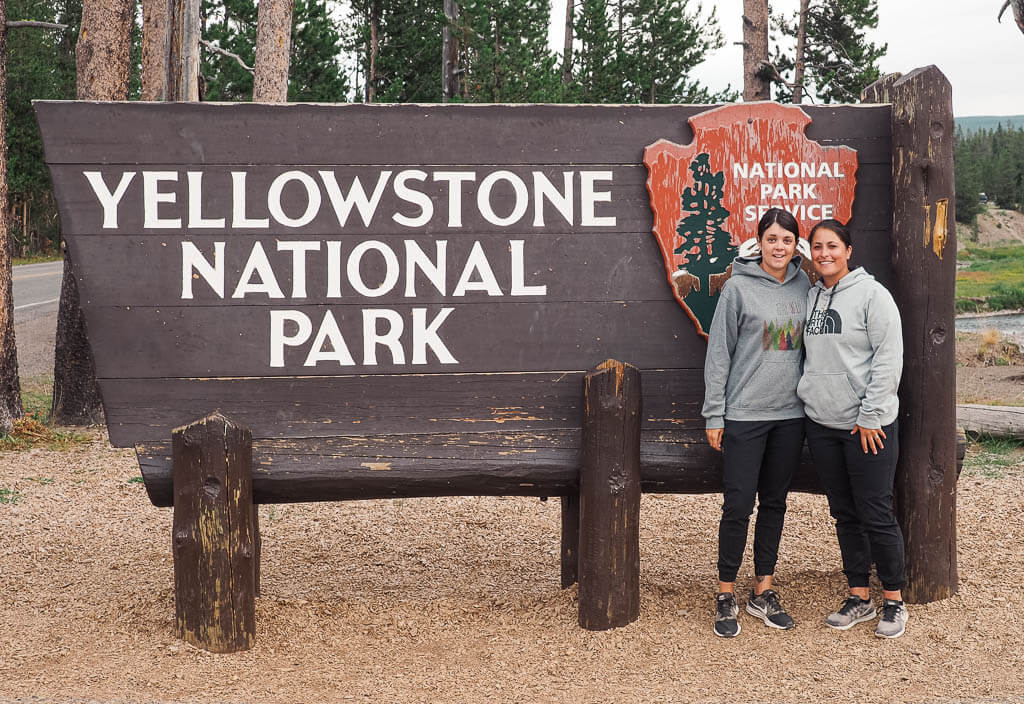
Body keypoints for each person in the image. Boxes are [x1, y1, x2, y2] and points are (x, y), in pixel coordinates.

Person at [798, 219, 908, 639]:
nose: (824, 253)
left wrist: (870, 415)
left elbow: (887, 359)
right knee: (844, 514)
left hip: (867, 427)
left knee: (876, 513)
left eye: (832, 246)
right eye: (818, 247)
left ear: (848, 250)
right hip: (822, 425)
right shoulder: (812, 298)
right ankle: (859, 596)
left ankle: (895, 601)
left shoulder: (872, 296)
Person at [702, 207, 809, 638]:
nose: (779, 247)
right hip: (744, 415)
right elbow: (719, 355)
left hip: (791, 416)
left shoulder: (807, 285)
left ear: (794, 244)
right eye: (772, 239)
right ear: (759, 243)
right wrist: (715, 413)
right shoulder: (737, 289)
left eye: (787, 240)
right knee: (738, 505)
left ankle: (763, 589)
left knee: (776, 504)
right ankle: (725, 592)